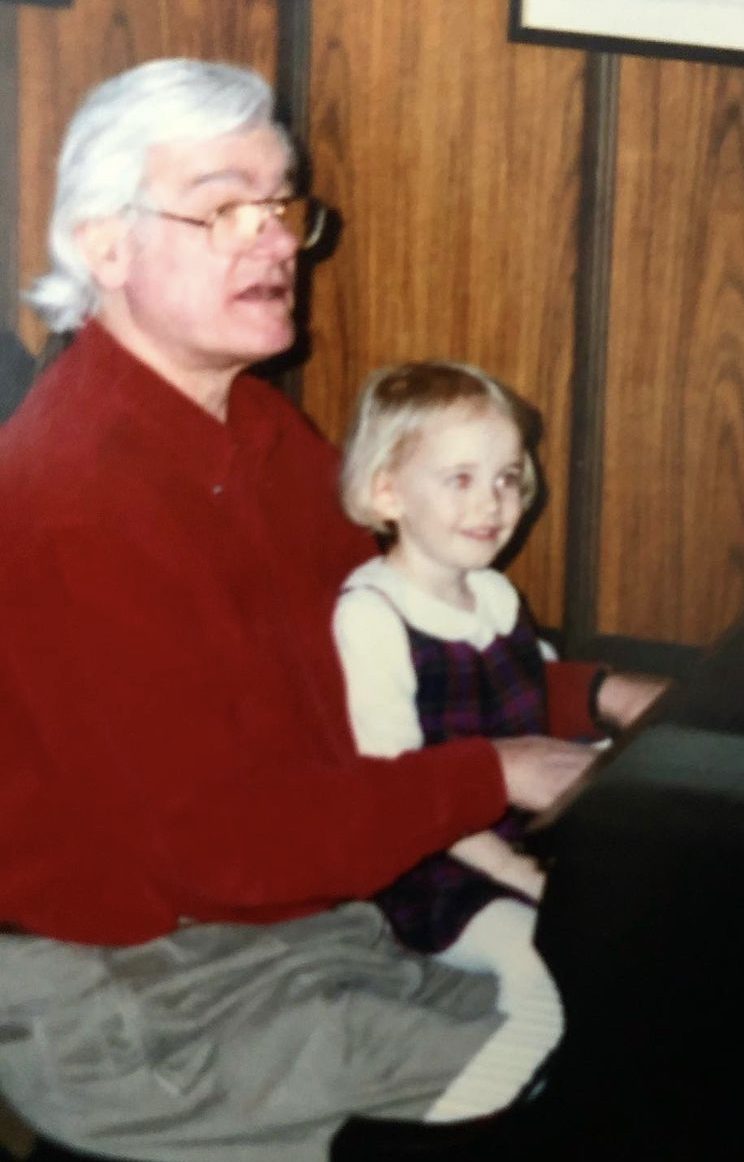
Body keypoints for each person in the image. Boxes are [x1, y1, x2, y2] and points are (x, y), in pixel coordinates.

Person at [0, 58, 653, 1162]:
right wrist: (497, 768)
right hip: (153, 1000)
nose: (271, 239)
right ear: (104, 246)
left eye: (281, 205)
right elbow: (219, 848)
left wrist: (597, 693)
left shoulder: (253, 434)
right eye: (222, 208)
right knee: (618, 1076)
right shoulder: (71, 499)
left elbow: (381, 647)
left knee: (657, 982)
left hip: (303, 926)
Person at [333, 361, 667, 1116]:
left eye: (508, 477)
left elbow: (531, 702)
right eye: (460, 479)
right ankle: (460, 1129)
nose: (494, 502)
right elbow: (398, 791)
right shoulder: (373, 615)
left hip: (519, 830)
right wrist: (524, 876)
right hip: (432, 864)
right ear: (387, 492)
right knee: (542, 973)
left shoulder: (493, 592)